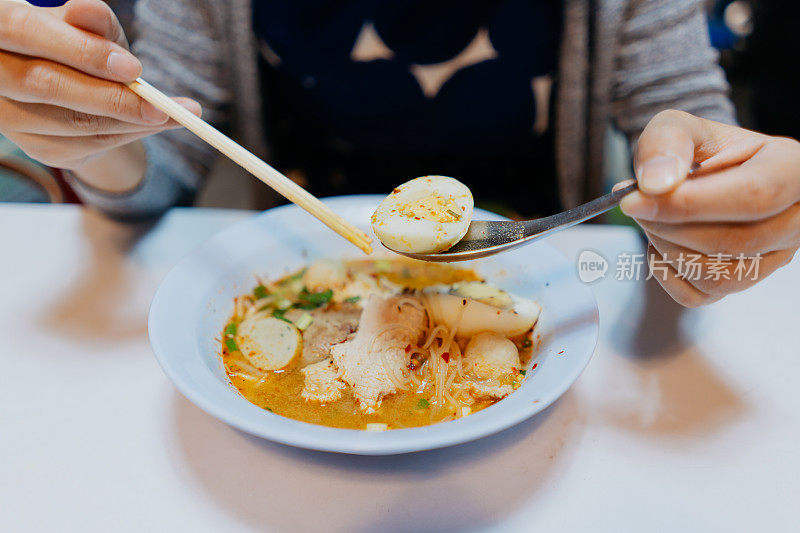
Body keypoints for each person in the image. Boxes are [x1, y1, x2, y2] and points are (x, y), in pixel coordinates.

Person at [0, 0, 796, 306]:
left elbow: (687, 114)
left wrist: (709, 203)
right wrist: (94, 127)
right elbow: (153, 177)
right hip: (303, 276)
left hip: (548, 282)